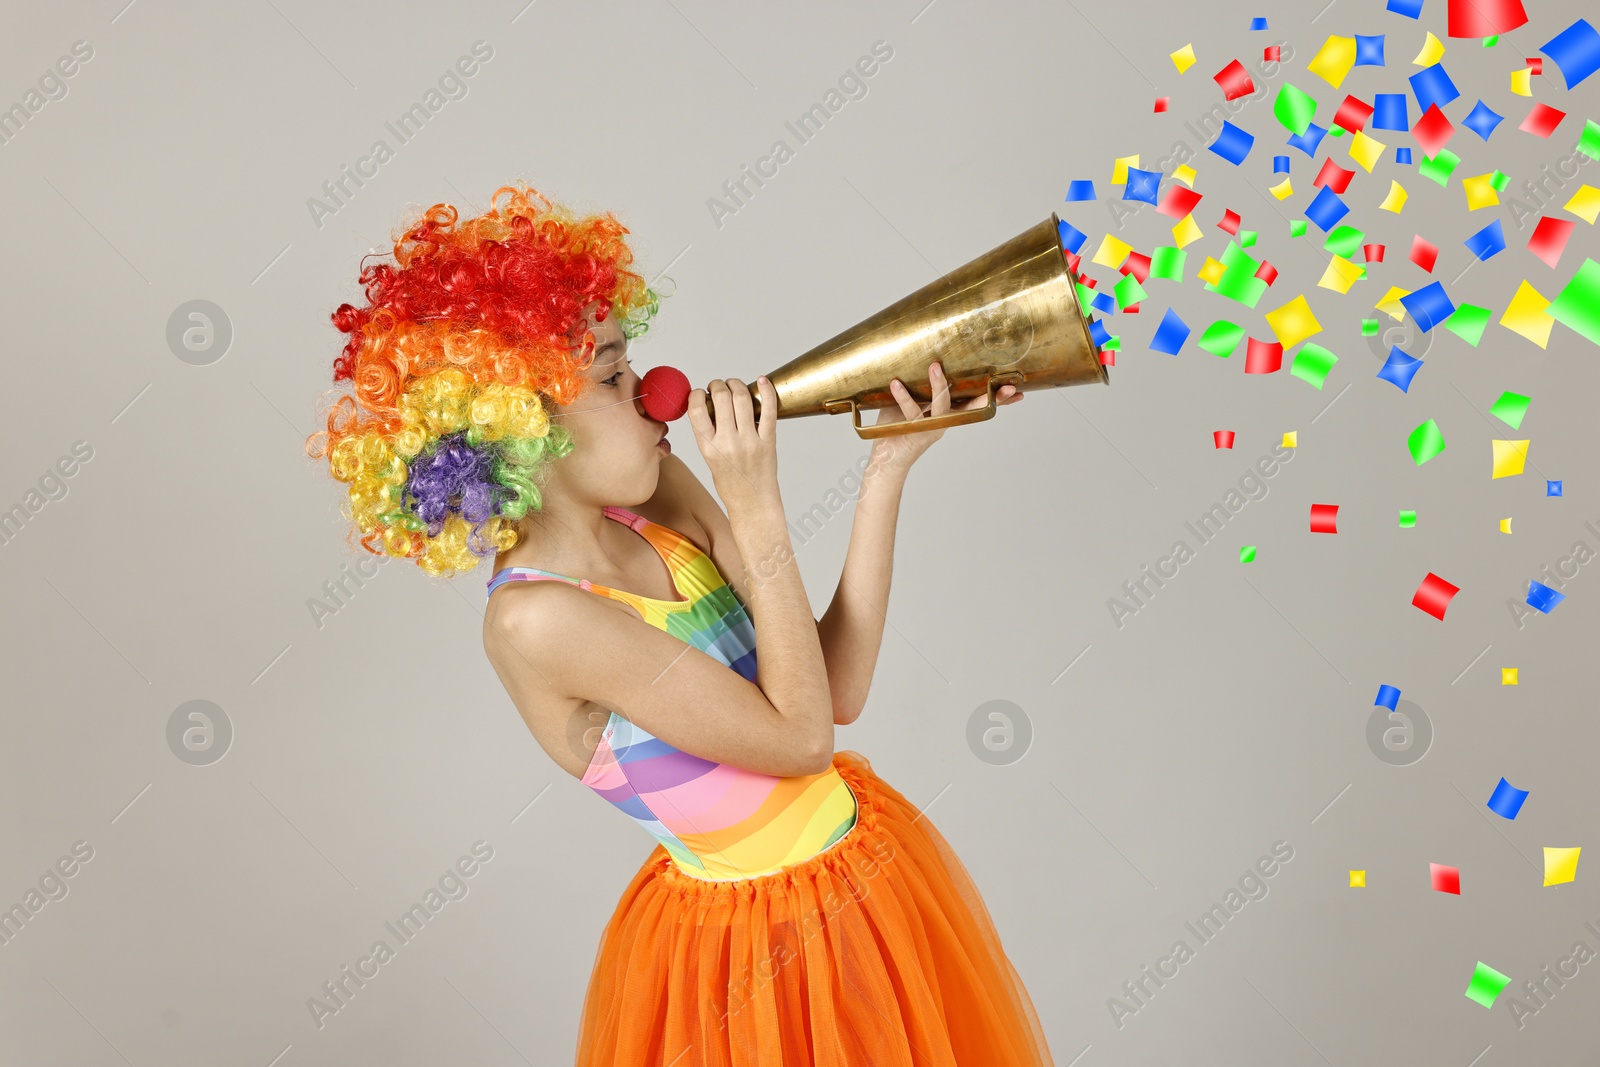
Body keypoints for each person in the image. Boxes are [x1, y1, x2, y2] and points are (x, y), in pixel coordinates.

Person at [308, 183, 1052, 1065]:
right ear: (522, 424)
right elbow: (801, 737)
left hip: (866, 880)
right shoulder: (539, 619)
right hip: (753, 962)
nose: (660, 393)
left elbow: (835, 686)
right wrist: (758, 503)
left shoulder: (659, 498)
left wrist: (886, 467)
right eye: (615, 377)